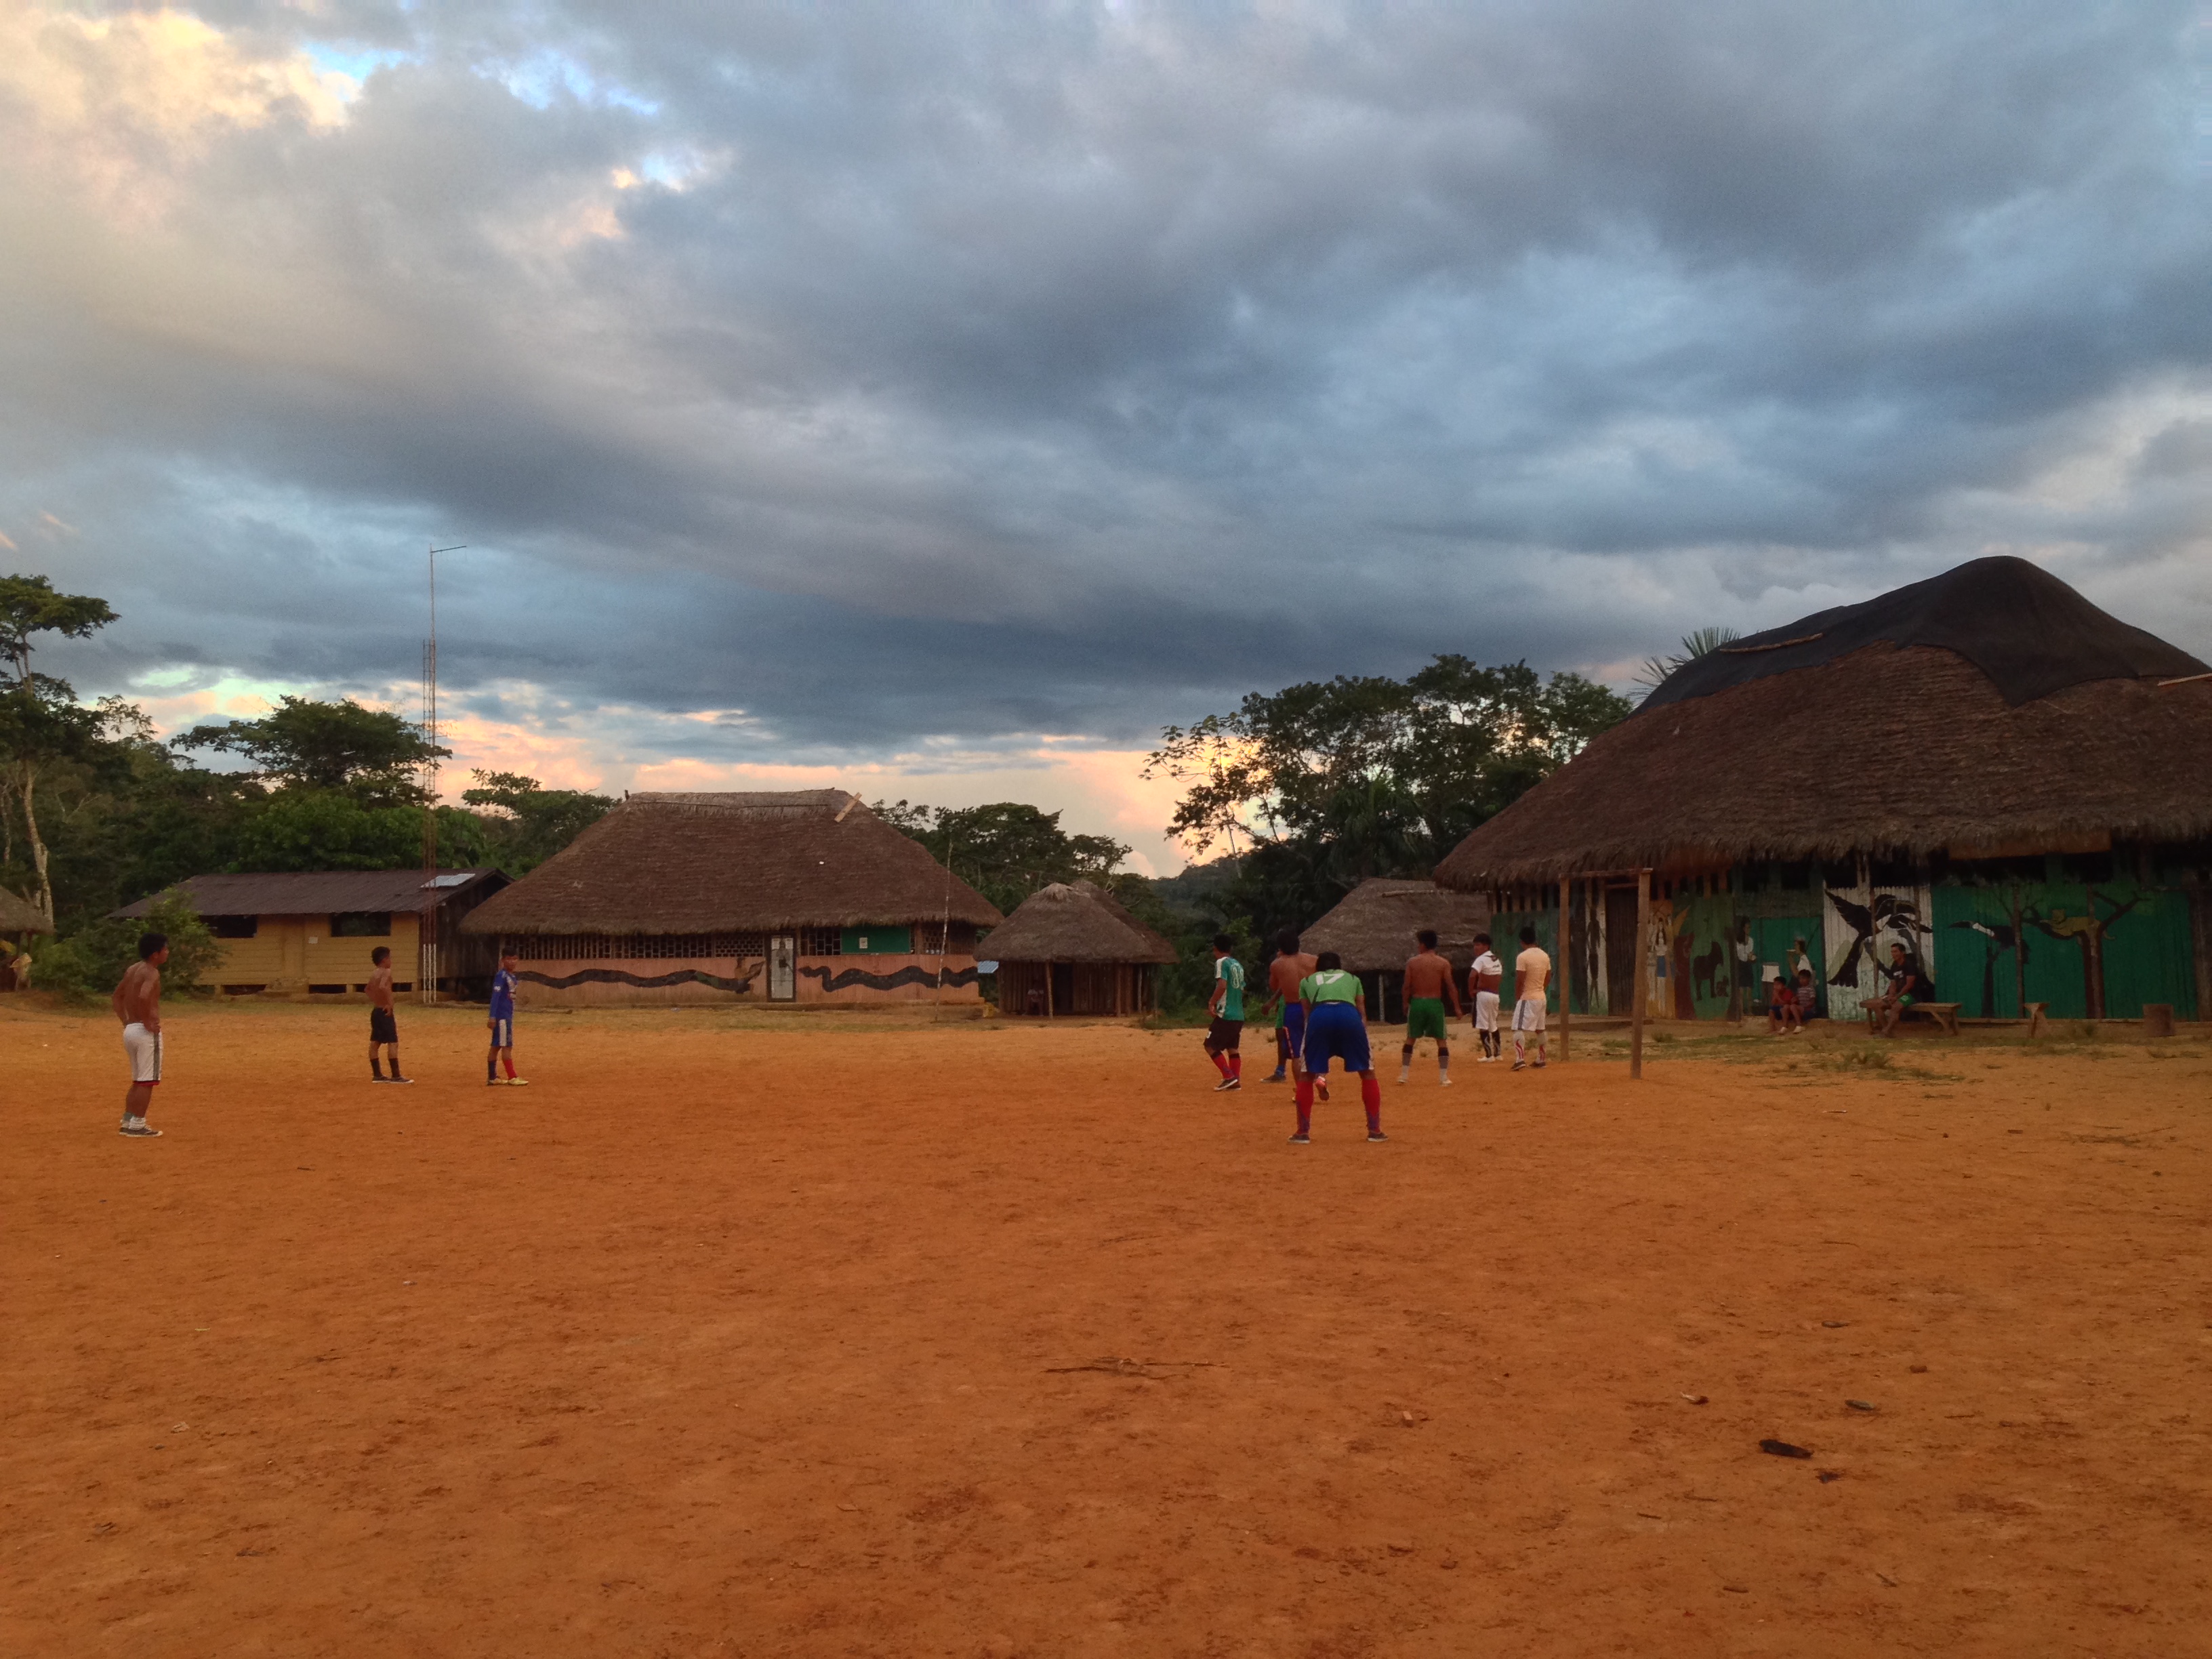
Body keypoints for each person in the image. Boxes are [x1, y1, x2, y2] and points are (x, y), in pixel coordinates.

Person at [1293, 951, 1385, 1143]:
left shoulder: (1307, 981)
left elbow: (1307, 1014)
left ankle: (1302, 1133)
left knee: (1307, 1074)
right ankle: (1375, 1130)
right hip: (1349, 1015)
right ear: (1339, 967)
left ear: (1318, 968)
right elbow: (1362, 1011)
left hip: (1320, 1016)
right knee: (1368, 1072)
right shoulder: (1353, 979)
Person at [111, 932, 168, 1138]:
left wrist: (127, 1021)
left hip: (130, 1030)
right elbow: (144, 996)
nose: (167, 953)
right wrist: (147, 1021)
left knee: (138, 1080)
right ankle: (138, 1125)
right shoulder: (151, 972)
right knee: (147, 1081)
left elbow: (117, 997)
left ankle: (128, 1120)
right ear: (155, 954)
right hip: (144, 1031)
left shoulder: (132, 969)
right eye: (165, 949)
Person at [1398, 928, 1462, 1085]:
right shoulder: (1443, 963)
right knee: (1441, 1040)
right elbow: (1450, 986)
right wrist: (1457, 1007)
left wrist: (1405, 1003)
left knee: (1411, 1038)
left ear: (1423, 944)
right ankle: (1443, 1077)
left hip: (1418, 1002)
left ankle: (1404, 1075)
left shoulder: (1413, 963)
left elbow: (1407, 986)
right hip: (1435, 1003)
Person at [1263, 930, 1317, 1084]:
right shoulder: (1314, 960)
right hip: (1314, 1007)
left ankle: (1301, 1090)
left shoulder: (1277, 964)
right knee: (1316, 1047)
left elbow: (1274, 986)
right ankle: (1320, 1079)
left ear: (1280, 947)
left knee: (1296, 1054)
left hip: (1293, 1008)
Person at [1204, 933, 1245, 1092]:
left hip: (1226, 1014)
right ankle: (1235, 1080)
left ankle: (1229, 1076)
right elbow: (1241, 988)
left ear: (1215, 949)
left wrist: (1212, 1003)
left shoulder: (1221, 962)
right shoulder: (1238, 965)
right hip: (1238, 1014)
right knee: (1232, 1047)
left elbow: (1222, 985)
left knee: (1210, 1045)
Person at [1866, 942, 1935, 1037]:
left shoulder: (1909, 965)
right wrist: (1891, 995)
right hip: (1897, 995)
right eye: (1892, 952)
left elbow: (1909, 985)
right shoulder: (1895, 965)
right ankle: (1887, 1031)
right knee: (1877, 1006)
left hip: (1911, 995)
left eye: (1896, 952)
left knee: (1895, 1008)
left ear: (1903, 953)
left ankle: (1885, 1032)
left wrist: (1897, 997)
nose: (1893, 954)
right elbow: (1893, 983)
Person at [367, 946, 412, 1083]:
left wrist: (378, 1000)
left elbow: (368, 990)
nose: (391, 961)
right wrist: (389, 1003)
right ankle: (396, 1075)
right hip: (384, 1011)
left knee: (375, 1042)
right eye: (390, 958)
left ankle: (377, 1075)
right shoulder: (386, 972)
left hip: (376, 1010)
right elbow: (383, 986)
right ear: (385, 960)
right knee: (393, 1042)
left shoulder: (374, 973)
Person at [1511, 925, 1550, 1071]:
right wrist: (1541, 989)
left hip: (1528, 996)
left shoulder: (1522, 957)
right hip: (1541, 996)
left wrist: (1518, 996)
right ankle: (1541, 1058)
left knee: (1517, 1027)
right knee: (1540, 1029)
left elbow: (1520, 979)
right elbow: (1548, 976)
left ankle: (1520, 1059)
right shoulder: (1544, 955)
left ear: (1522, 941)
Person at [487, 950, 527, 1085]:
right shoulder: (502, 976)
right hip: (502, 1016)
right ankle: (512, 1077)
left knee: (496, 1046)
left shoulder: (511, 976)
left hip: (507, 1015)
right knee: (507, 1046)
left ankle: (493, 1077)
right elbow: (495, 997)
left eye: (515, 959)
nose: (512, 962)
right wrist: (492, 1016)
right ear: (503, 960)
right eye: (509, 959)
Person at [1467, 933, 1504, 1062]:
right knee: (1493, 1024)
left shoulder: (1481, 959)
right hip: (1495, 995)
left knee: (1483, 1025)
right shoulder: (1496, 959)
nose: (1475, 948)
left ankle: (1489, 1055)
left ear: (1486, 946)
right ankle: (1498, 1053)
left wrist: (1471, 990)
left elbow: (1472, 975)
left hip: (1483, 994)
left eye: (1478, 945)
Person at [1767, 969, 1801, 1036]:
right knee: (1771, 1010)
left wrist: (1778, 997)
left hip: (1788, 1012)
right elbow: (1773, 1004)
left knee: (1783, 1008)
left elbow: (1785, 1003)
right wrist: (1775, 997)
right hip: (1779, 1011)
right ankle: (1772, 1027)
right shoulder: (1776, 993)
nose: (1776, 987)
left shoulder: (1788, 992)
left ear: (1784, 986)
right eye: (1775, 985)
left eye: (1778, 985)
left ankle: (1785, 1026)